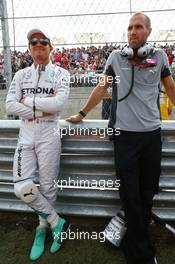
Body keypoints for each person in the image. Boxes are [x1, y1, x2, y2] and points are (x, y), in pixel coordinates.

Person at [66, 13, 175, 264]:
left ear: (148, 31)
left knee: (147, 193)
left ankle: (133, 239)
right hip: (124, 137)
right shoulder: (116, 57)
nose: (132, 31)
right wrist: (82, 113)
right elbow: (102, 87)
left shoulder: (159, 57)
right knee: (129, 195)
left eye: (138, 27)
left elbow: (170, 87)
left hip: (151, 136)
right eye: (129, 27)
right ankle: (143, 254)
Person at [6, 28, 70, 261]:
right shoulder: (20, 75)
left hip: (49, 133)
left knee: (48, 186)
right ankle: (56, 221)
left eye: (44, 41)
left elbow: (60, 103)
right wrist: (43, 108)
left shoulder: (62, 73)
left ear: (50, 46)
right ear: (30, 48)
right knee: (21, 186)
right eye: (34, 42)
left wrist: (30, 103)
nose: (39, 44)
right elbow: (10, 106)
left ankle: (42, 229)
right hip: (26, 133)